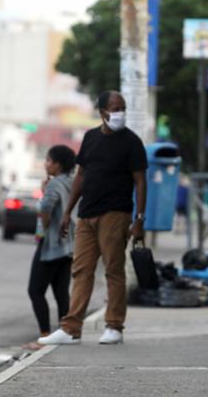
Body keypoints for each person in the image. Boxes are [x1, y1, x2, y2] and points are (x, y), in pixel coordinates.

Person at [38, 90, 147, 346]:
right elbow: (81, 176)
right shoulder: (90, 138)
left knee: (113, 271)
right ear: (102, 112)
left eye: (123, 108)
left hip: (115, 214)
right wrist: (67, 212)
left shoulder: (132, 142)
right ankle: (71, 329)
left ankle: (114, 326)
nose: (120, 113)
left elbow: (140, 181)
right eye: (115, 108)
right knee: (81, 270)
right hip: (87, 214)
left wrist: (139, 219)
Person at [23, 145, 77, 350]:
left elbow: (46, 208)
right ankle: (67, 332)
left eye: (48, 160)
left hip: (51, 245)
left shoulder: (55, 185)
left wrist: (44, 228)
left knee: (35, 290)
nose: (46, 164)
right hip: (68, 245)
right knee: (61, 291)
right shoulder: (72, 182)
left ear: (57, 164)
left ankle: (44, 334)